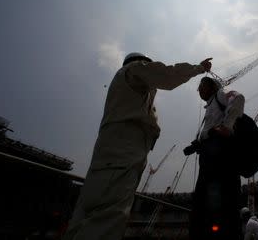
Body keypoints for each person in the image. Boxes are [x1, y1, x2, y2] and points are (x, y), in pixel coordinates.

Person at [63, 53, 212, 240]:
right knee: (107, 219)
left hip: (111, 157)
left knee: (85, 218)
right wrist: (198, 68)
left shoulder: (126, 88)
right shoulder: (135, 69)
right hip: (120, 156)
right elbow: (167, 75)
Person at [184, 76, 245, 240]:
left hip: (222, 159)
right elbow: (210, 131)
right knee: (202, 207)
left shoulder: (220, 95)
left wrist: (227, 125)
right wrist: (197, 144)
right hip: (208, 161)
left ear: (212, 86)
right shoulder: (210, 106)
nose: (198, 90)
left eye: (201, 85)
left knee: (225, 205)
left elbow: (237, 97)